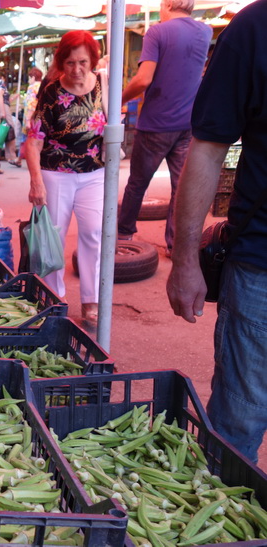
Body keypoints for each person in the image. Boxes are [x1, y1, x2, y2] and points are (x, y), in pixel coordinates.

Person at [167, 0, 267, 463]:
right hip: (261, 269)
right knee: (238, 423)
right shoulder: (255, 28)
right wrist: (186, 261)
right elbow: (208, 148)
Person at [117, 0, 212, 257]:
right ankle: (175, 244)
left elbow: (143, 79)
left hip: (156, 124)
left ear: (168, 3)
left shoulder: (157, 32)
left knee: (137, 183)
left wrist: (117, 101)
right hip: (188, 124)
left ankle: (124, 234)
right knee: (180, 187)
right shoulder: (206, 31)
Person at [24, 30, 105, 325]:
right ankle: (54, 301)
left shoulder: (104, 85)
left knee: (95, 234)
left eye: (83, 62)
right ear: (61, 62)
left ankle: (92, 301)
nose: (77, 69)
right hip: (55, 173)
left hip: (95, 174)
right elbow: (33, 141)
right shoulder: (50, 92)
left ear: (92, 60)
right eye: (70, 63)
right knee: (52, 239)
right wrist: (36, 182)